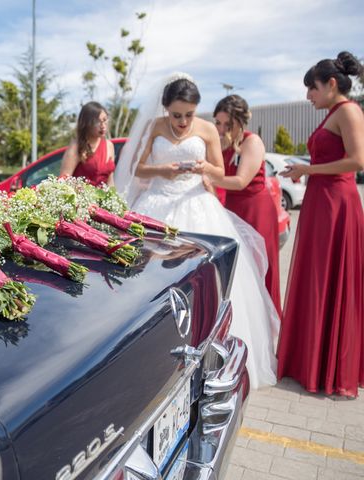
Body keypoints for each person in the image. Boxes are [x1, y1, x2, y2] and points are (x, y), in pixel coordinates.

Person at [114, 73, 280, 389]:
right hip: (157, 206)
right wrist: (163, 170)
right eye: (176, 115)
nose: (182, 121)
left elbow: (219, 170)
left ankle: (209, 351)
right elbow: (136, 168)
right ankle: (153, 350)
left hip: (197, 206)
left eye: (188, 115)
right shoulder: (155, 128)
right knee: (151, 281)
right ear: (165, 109)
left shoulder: (206, 130)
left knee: (205, 282)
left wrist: (203, 169)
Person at [277, 51, 364, 398]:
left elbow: (357, 161)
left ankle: (326, 366)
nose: (307, 95)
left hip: (336, 205)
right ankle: (310, 361)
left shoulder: (348, 110)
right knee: (316, 277)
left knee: (328, 277)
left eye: (311, 88)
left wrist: (306, 170)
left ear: (330, 84)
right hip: (321, 203)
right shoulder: (333, 112)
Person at [212, 95, 282, 317]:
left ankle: (263, 321)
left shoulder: (252, 142)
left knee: (258, 267)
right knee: (237, 271)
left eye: (228, 124)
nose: (222, 129)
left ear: (240, 123)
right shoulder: (219, 143)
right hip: (231, 210)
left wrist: (206, 175)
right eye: (218, 123)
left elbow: (241, 181)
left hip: (255, 210)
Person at [59, 101, 115, 186]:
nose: (103, 125)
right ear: (87, 123)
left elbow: (110, 181)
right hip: (82, 196)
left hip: (104, 197)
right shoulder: (77, 146)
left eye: (104, 120)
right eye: (97, 122)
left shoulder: (109, 145)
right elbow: (63, 180)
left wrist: (114, 197)